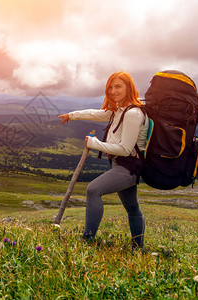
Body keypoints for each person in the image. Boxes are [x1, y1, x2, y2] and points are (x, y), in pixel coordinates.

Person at [58, 71, 149, 248]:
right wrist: (72, 115)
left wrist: (95, 144)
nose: (113, 91)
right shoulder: (119, 111)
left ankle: (88, 240)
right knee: (132, 208)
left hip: (128, 168)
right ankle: (138, 247)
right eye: (110, 87)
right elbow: (96, 114)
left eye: (118, 86)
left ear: (128, 87)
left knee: (93, 190)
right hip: (122, 166)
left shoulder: (132, 114)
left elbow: (125, 149)